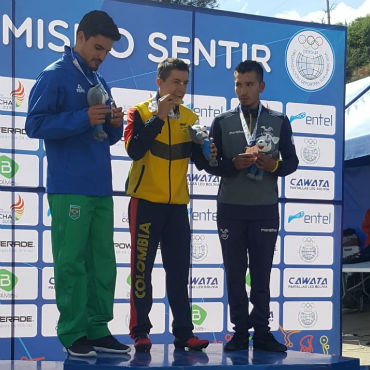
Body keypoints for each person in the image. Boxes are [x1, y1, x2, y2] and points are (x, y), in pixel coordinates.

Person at [25, 10, 130, 357]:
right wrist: (81, 117)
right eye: (98, 47)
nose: (102, 56)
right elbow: (35, 125)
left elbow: (108, 136)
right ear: (80, 37)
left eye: (107, 51)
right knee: (71, 261)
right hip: (69, 185)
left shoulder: (99, 82)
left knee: (102, 261)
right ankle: (72, 333)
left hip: (101, 186)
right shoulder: (54, 75)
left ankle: (98, 328)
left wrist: (114, 123)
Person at [206, 60, 298, 352]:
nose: (242, 91)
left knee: (261, 274)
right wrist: (231, 165)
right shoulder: (222, 121)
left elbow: (292, 162)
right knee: (234, 273)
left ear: (261, 86)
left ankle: (262, 333)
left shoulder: (279, 120)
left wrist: (274, 165)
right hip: (230, 209)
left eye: (248, 85)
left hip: (264, 209)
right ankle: (239, 333)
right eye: (238, 84)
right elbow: (211, 164)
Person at [124, 58, 212, 352]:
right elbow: (134, 150)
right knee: (141, 271)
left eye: (185, 83)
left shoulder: (189, 116)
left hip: (177, 207)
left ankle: (184, 333)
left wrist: (208, 150)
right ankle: (140, 332)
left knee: (178, 272)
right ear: (159, 82)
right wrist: (159, 117)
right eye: (176, 82)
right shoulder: (138, 111)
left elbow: (201, 164)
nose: (181, 89)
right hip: (146, 202)